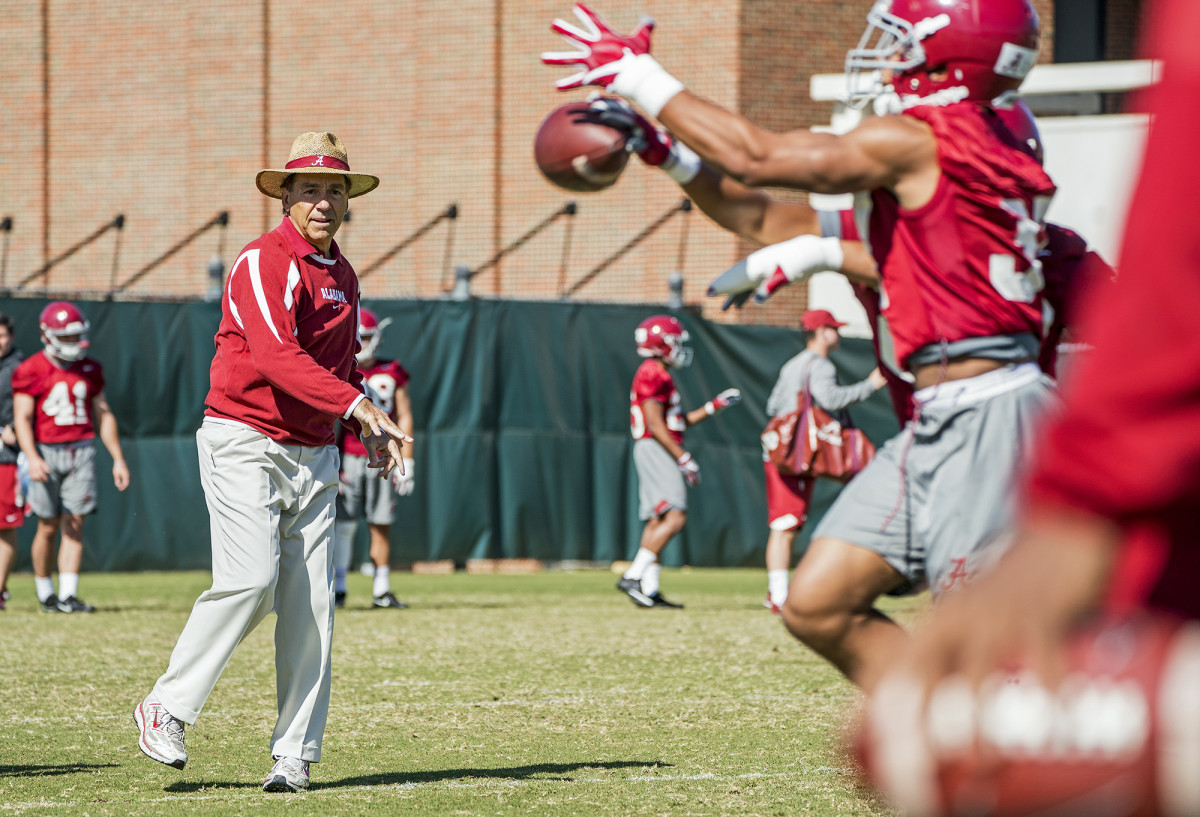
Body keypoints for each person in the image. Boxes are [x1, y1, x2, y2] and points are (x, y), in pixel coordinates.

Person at [545, 0, 1058, 691]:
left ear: (948, 56)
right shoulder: (982, 138)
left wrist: (637, 75)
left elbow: (760, 159)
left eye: (903, 41)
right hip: (939, 414)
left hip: (985, 410)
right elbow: (763, 215)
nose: (887, 56)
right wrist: (668, 151)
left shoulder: (925, 138)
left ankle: (996, 754)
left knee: (989, 645)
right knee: (816, 603)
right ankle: (951, 725)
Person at [132, 132, 411, 793]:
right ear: (284, 194)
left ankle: (295, 754)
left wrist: (367, 431)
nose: (323, 201)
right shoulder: (263, 259)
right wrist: (361, 408)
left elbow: (341, 367)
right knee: (252, 577)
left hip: (313, 452)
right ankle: (166, 705)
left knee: (313, 605)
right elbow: (274, 357)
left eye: (335, 190)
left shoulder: (342, 273)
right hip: (243, 438)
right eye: (309, 188)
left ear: (349, 200)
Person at [763, 310, 885, 614]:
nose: (838, 334)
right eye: (834, 328)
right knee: (786, 523)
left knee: (787, 522)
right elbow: (831, 400)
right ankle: (778, 596)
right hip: (795, 451)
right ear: (821, 332)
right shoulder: (819, 365)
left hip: (783, 447)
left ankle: (779, 592)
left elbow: (772, 405)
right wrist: (870, 384)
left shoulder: (793, 364)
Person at [12, 301, 129, 614]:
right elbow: (22, 418)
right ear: (47, 335)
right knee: (48, 526)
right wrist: (32, 455)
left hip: (81, 449)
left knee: (75, 524)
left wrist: (118, 457)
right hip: (46, 451)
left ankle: (68, 595)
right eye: (65, 338)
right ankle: (45, 593)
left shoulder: (90, 368)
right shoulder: (31, 369)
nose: (73, 344)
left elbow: (103, 414)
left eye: (76, 337)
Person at [619, 314, 741, 608]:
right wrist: (683, 457)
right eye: (675, 342)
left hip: (654, 445)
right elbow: (656, 424)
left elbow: (675, 423)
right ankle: (634, 576)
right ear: (661, 344)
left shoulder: (659, 372)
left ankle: (649, 589)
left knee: (657, 518)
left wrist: (714, 407)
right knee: (675, 516)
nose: (680, 348)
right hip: (655, 447)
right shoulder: (653, 373)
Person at [333, 305, 414, 610]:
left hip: (385, 455)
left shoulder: (391, 370)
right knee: (343, 525)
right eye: (358, 338)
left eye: (367, 337)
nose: (362, 344)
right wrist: (334, 461)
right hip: (350, 458)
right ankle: (339, 588)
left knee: (381, 522)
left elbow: (404, 417)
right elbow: (334, 422)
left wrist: (410, 462)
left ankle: (381, 588)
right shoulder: (341, 370)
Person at [0, 313, 25, 610]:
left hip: (6, 459)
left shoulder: (19, 369)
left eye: (2, 336)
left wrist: (17, 431)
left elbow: (34, 412)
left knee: (4, 527)